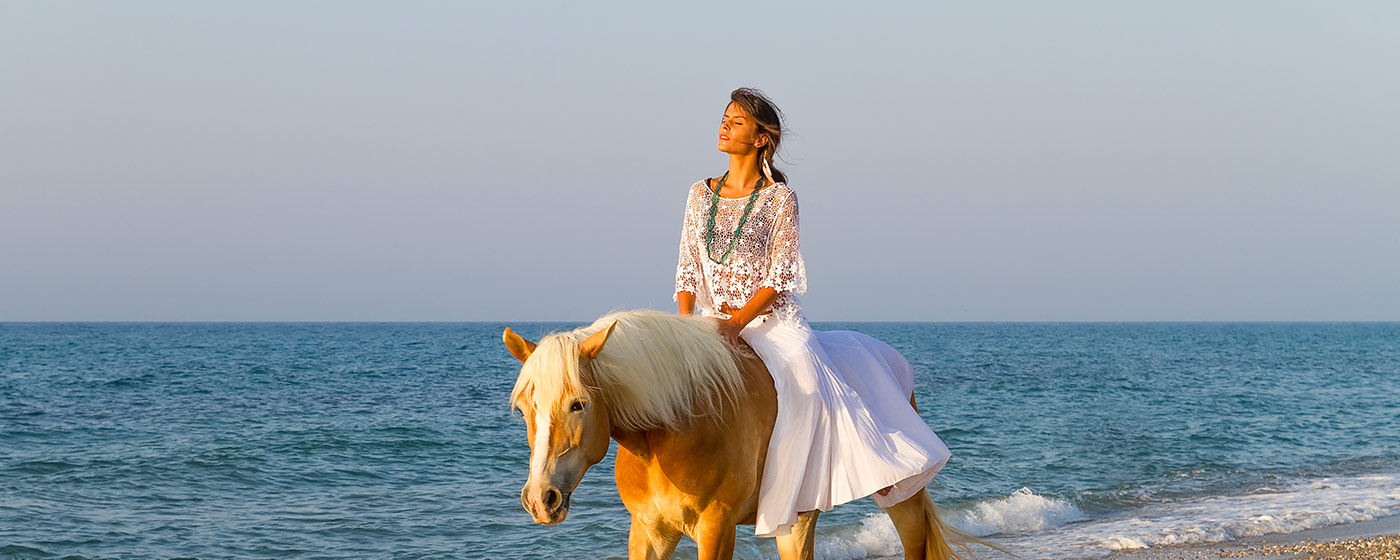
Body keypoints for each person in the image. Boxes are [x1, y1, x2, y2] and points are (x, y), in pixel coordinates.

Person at [674, 87, 954, 538]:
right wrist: (687, 325)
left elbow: (779, 277)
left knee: (804, 386)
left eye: (737, 121)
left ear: (761, 138)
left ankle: (798, 496)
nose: (724, 125)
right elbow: (687, 269)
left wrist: (738, 322)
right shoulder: (698, 194)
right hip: (707, 321)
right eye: (724, 117)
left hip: (770, 324)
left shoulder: (780, 199)